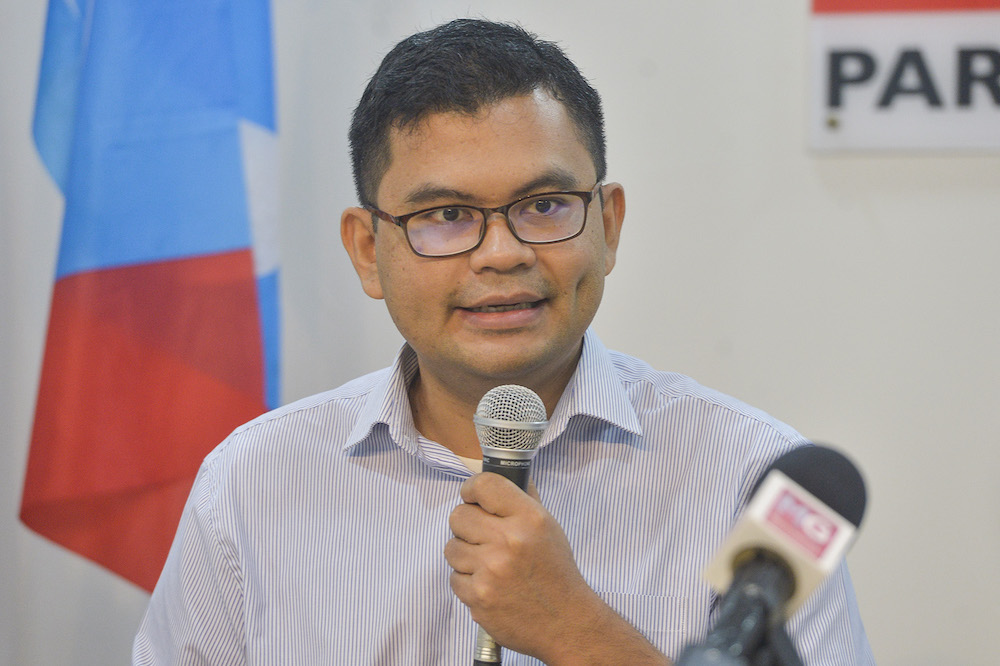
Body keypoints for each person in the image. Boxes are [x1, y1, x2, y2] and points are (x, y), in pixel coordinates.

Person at [133, 18, 873, 665]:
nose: (500, 253)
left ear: (607, 226)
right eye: (447, 215)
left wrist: (582, 636)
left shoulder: (752, 481)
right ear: (366, 250)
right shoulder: (251, 485)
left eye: (544, 205)